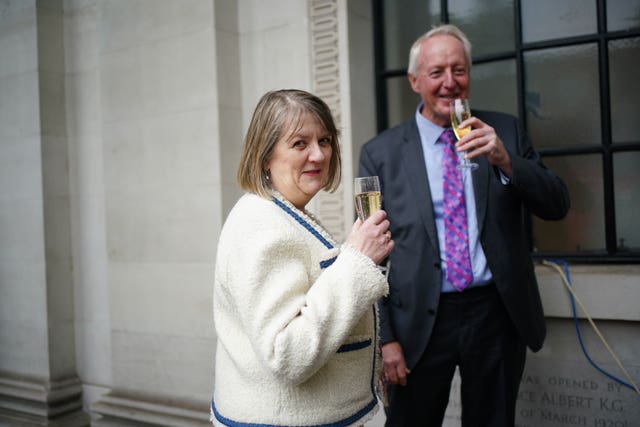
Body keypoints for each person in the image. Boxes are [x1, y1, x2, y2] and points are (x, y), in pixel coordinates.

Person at [358, 25, 570, 426]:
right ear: (414, 80)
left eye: (459, 70)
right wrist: (386, 339)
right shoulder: (380, 154)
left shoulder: (505, 131)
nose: (449, 83)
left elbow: (557, 204)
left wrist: (508, 162)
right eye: (437, 72)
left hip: (495, 313)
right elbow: (370, 256)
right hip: (418, 321)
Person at [210, 89, 394, 427]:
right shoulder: (262, 226)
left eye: (324, 141)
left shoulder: (282, 212)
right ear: (265, 156)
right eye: (299, 143)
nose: (319, 155)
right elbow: (287, 353)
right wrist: (356, 262)